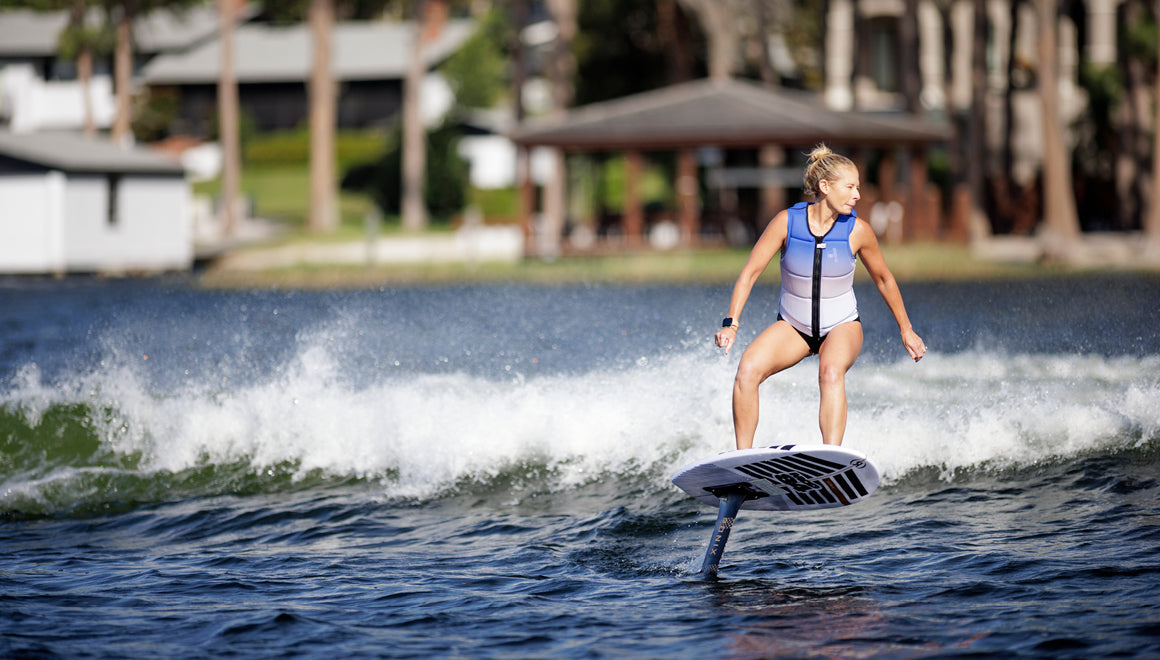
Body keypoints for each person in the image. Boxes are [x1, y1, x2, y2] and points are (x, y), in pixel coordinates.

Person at [714, 144, 926, 450]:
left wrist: (906, 330)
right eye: (850, 187)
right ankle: (742, 462)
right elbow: (750, 273)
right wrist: (731, 324)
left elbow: (884, 279)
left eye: (858, 187)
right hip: (793, 327)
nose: (857, 196)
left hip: (841, 326)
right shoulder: (787, 222)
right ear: (825, 187)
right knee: (747, 370)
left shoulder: (858, 231)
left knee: (829, 372)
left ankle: (831, 460)